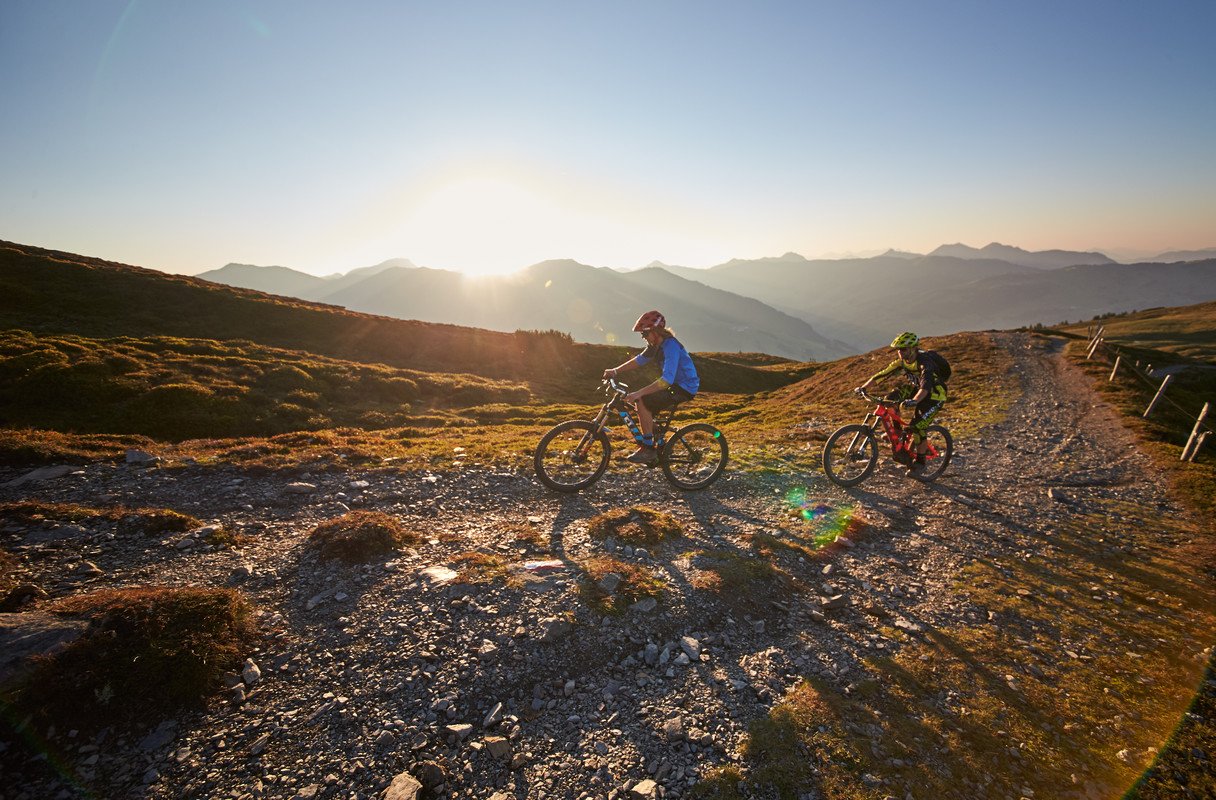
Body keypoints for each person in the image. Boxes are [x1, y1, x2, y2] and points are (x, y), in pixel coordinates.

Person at [602, 310, 700, 464]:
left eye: (645, 334)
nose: (644, 338)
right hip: (674, 384)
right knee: (640, 403)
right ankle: (658, 437)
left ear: (655, 331)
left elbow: (666, 380)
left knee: (642, 400)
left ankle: (648, 449)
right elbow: (639, 360)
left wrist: (638, 394)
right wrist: (615, 371)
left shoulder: (670, 345)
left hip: (684, 387)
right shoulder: (655, 345)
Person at [854, 331, 948, 473]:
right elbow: (882, 374)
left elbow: (925, 386)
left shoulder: (925, 364)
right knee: (890, 399)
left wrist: (915, 401)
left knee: (918, 426)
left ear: (913, 348)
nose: (900, 352)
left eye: (903, 349)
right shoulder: (902, 362)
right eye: (898, 349)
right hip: (917, 390)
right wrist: (864, 388)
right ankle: (897, 431)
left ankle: (921, 463)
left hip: (934, 395)